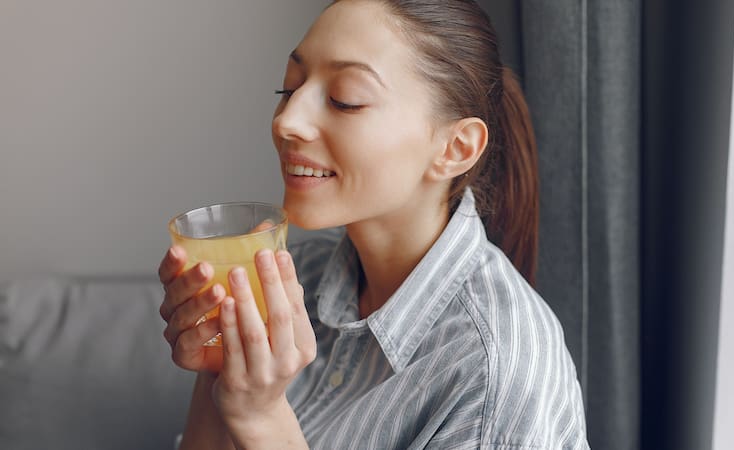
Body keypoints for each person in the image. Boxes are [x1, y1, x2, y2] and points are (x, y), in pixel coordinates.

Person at [157, 0, 589, 448]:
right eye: (288, 89)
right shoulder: (299, 278)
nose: (288, 121)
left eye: (346, 100)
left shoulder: (495, 372)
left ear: (455, 148)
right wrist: (220, 368)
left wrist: (262, 417)